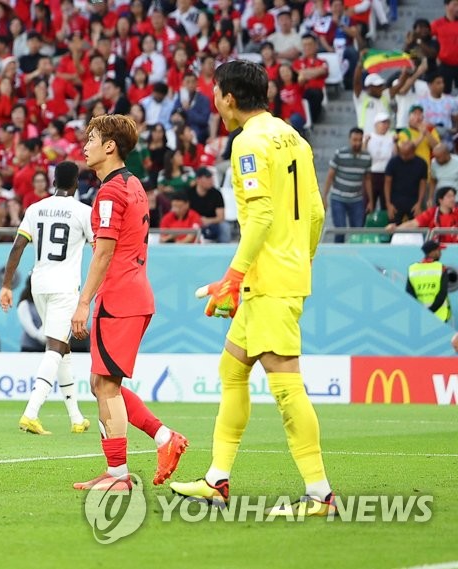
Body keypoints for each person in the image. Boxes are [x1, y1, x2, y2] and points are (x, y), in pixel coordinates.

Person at [170, 61, 334, 517]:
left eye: (216, 92)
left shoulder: (249, 142)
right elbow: (317, 213)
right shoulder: (292, 137)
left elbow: (260, 217)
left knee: (285, 386)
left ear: (229, 97)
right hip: (281, 273)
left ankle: (320, 494)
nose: (214, 100)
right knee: (232, 369)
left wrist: (234, 275)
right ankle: (217, 478)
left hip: (266, 281)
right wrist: (302, 261)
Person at [69, 115, 189, 491]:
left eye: (91, 139)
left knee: (106, 387)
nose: (84, 145)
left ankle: (120, 474)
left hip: (118, 298)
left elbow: (103, 253)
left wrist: (83, 301)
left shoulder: (108, 193)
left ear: (110, 146)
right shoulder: (133, 184)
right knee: (100, 383)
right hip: (135, 293)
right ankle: (162, 439)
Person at [0, 160, 93, 434]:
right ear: (76, 183)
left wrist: (6, 285)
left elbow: (18, 247)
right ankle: (30, 413)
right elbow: (100, 249)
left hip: (39, 284)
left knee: (62, 348)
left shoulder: (35, 209)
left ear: (53, 181)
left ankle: (76, 418)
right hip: (65, 286)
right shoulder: (83, 212)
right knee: (54, 347)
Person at [324, 128, 373, 243]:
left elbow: (367, 179)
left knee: (358, 232)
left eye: (359, 140)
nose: (357, 143)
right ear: (349, 139)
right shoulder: (340, 154)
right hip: (338, 197)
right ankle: (337, 257)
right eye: (354, 140)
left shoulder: (367, 157)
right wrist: (324, 196)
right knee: (340, 230)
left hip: (357, 199)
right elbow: (330, 175)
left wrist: (371, 200)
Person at [388, 187, 458, 243]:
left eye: (453, 196)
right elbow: (413, 223)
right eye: (449, 197)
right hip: (435, 249)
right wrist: (396, 228)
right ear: (440, 200)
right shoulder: (431, 213)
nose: (453, 199)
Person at [406, 239, 452, 322]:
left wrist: (422, 312)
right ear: (432, 252)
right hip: (440, 315)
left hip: (420, 316)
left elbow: (410, 294)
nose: (440, 253)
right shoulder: (441, 268)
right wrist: (430, 311)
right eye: (439, 250)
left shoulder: (413, 269)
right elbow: (442, 293)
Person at [384, 141, 429, 224]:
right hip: (395, 201)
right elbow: (387, 183)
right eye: (402, 154)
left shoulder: (421, 163)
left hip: (414, 201)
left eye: (407, 154)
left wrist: (419, 203)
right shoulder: (393, 162)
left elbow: (422, 184)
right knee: (392, 227)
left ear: (413, 152)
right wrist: (388, 204)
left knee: (417, 227)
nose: (403, 156)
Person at [189, 168, 230, 243]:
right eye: (208, 178)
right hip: (193, 222)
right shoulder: (189, 193)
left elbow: (221, 217)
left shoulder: (216, 194)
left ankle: (224, 250)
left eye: (211, 178)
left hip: (213, 223)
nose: (211, 181)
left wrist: (208, 220)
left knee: (225, 227)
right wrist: (197, 220)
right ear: (198, 180)